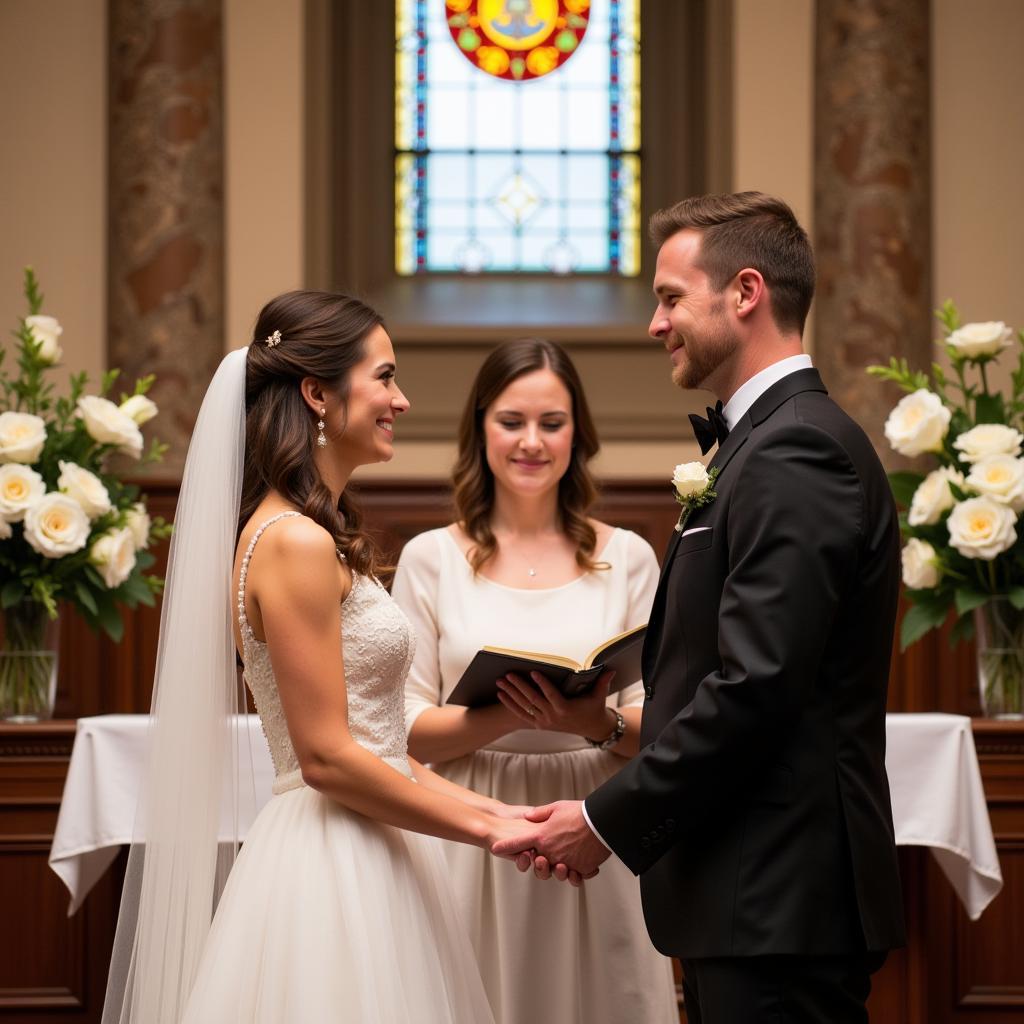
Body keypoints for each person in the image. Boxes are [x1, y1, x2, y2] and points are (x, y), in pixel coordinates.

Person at [494, 193, 907, 1023]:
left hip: (779, 897)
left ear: (745, 292)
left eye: (672, 297)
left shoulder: (798, 448)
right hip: (750, 894)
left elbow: (754, 687)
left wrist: (604, 822)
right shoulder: (762, 444)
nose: (656, 323)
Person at [102, 291, 546, 1024]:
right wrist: (492, 829)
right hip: (334, 856)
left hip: (372, 835)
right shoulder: (293, 542)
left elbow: (383, 744)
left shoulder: (307, 531)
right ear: (317, 393)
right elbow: (329, 758)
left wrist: (508, 813)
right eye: (385, 377)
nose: (400, 400)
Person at [391, 337, 679, 1024]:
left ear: (578, 433)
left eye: (552, 423)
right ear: (480, 426)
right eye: (511, 421)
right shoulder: (430, 559)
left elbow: (666, 726)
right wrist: (515, 715)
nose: (531, 442)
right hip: (471, 828)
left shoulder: (629, 558)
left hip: (595, 827)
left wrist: (587, 722)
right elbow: (399, 730)